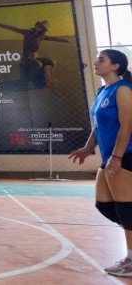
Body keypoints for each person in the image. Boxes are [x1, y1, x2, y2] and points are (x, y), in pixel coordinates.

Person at [69, 49, 132, 277]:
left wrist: (116, 157)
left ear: (115, 66)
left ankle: (131, 261)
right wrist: (88, 148)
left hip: (125, 155)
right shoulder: (102, 90)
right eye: (96, 58)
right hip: (109, 156)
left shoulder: (122, 89)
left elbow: (127, 126)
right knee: (104, 204)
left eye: (101, 60)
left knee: (126, 209)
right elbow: (97, 125)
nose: (95, 62)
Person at [0, 20, 69, 88]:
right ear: (36, 25)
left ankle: (49, 79)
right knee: (37, 64)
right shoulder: (27, 32)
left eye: (41, 27)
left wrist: (65, 41)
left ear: (43, 29)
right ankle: (28, 80)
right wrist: (1, 24)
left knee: (51, 62)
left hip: (35, 57)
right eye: (38, 25)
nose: (38, 27)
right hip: (26, 58)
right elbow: (14, 28)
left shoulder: (41, 36)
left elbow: (53, 38)